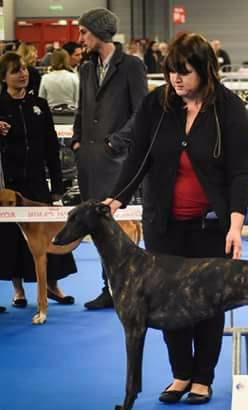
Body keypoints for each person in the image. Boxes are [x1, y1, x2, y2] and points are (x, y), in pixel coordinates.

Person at [104, 32, 248, 405]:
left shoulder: (229, 109)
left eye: (184, 72)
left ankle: (203, 377)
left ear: (205, 70)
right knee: (169, 303)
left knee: (207, 303)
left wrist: (235, 225)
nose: (176, 79)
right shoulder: (157, 105)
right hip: (163, 225)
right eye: (171, 71)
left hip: (210, 226)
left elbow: (239, 173)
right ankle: (180, 374)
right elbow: (137, 158)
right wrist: (115, 199)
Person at [72, 7, 147, 309]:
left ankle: (126, 288)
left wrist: (116, 142)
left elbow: (142, 111)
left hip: (116, 160)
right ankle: (109, 288)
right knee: (99, 230)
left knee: (116, 231)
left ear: (100, 32)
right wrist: (77, 141)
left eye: (84, 31)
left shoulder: (131, 66)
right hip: (89, 160)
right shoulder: (86, 67)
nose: (80, 37)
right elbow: (82, 107)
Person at [0, 52, 77, 308]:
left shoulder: (40, 104)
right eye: (15, 71)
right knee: (11, 238)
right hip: (9, 185)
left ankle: (53, 286)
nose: (22, 74)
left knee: (49, 235)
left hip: (37, 181)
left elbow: (51, 146)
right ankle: (18, 289)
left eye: (23, 69)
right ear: (4, 77)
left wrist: (57, 185)